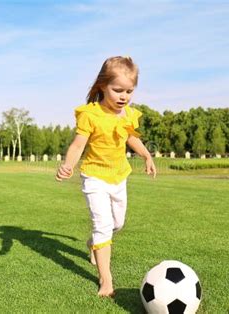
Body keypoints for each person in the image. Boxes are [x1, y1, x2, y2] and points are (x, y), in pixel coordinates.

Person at [56, 56, 156, 297]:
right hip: (94, 177)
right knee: (103, 226)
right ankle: (106, 280)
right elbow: (78, 145)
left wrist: (146, 155)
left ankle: (93, 243)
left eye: (129, 91)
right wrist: (67, 166)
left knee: (116, 224)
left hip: (118, 177)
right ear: (102, 86)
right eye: (118, 90)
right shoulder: (90, 115)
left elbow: (131, 138)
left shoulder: (128, 114)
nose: (124, 96)